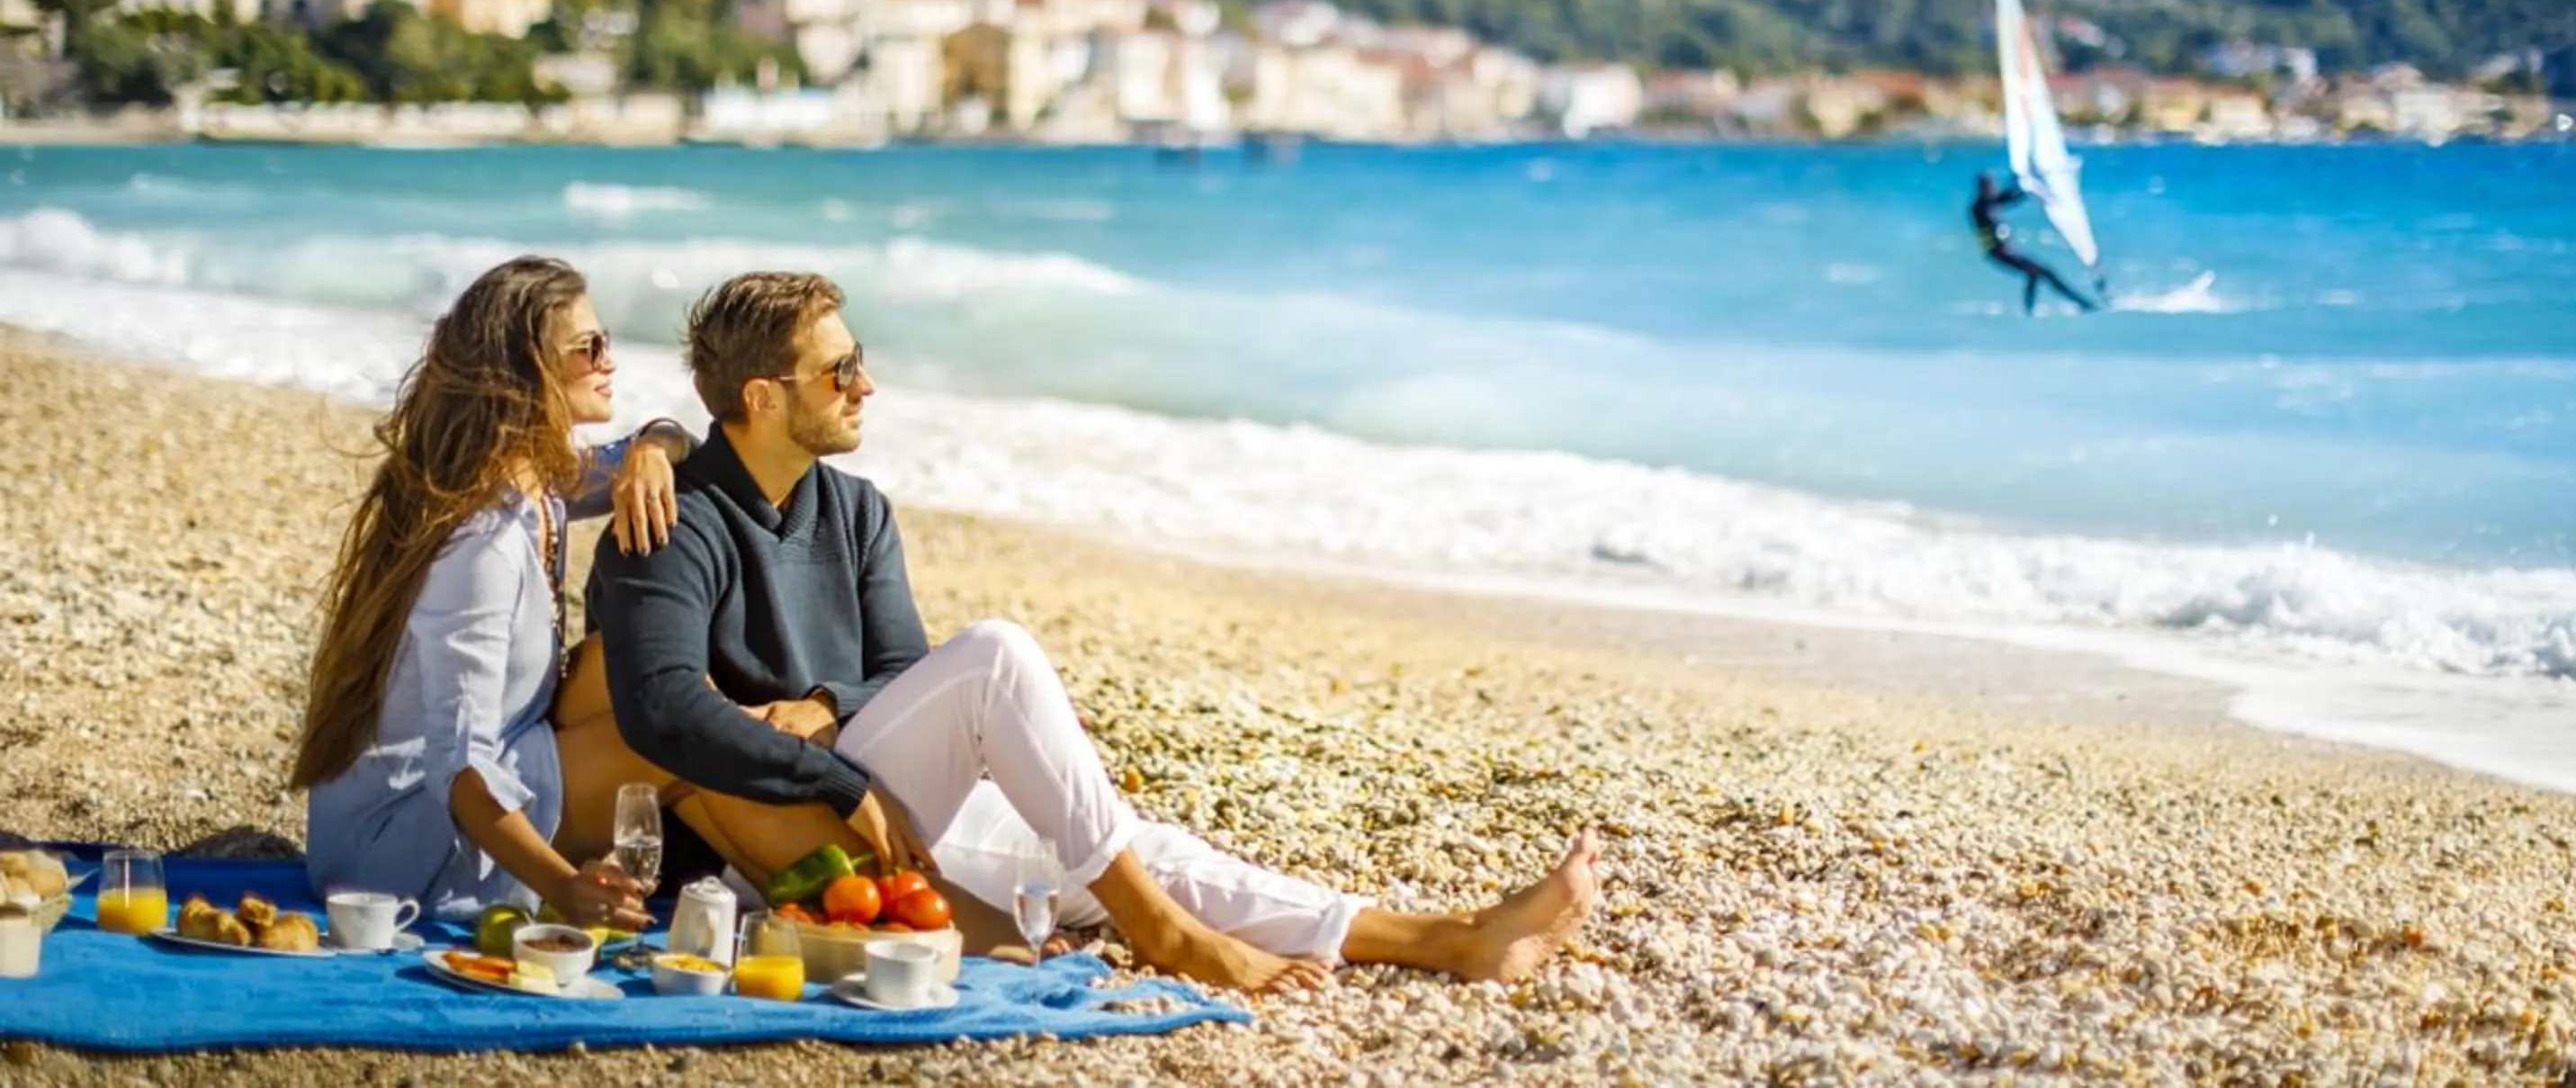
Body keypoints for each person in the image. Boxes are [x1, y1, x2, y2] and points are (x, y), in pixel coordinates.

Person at [588, 271, 1602, 993]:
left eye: (862, 360)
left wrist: (825, 708)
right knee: (1000, 655)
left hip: (870, 794)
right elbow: (662, 709)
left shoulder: (857, 510)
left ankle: (1449, 937)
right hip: (761, 849)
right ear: (763, 397)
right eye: (841, 368)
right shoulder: (668, 517)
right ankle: (1166, 935)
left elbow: (899, 672)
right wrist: (839, 778)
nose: (868, 384)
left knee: (1121, 845)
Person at [293, 256, 833, 927]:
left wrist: (651, 448)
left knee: (632, 666)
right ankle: (838, 907)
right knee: (669, 733)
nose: (611, 361)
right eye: (589, 348)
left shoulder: (533, 484)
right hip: (406, 849)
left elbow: (666, 447)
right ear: (530, 371)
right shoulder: (482, 545)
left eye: (608, 341)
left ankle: (800, 889)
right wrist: (564, 885)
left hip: (492, 767)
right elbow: (460, 766)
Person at [1970, 171, 2096, 315]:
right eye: (1989, 186)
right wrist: (2017, 187)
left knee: (2037, 273)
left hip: (2005, 250)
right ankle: (2079, 303)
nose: (1992, 188)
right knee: (2040, 272)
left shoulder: (1991, 202)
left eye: (1992, 185)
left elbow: (2010, 198)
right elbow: (2001, 201)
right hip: (1998, 252)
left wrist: (2020, 182)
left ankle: (2032, 310)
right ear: (1982, 188)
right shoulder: (1979, 207)